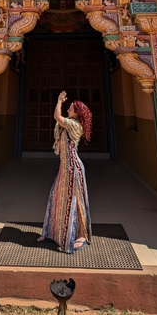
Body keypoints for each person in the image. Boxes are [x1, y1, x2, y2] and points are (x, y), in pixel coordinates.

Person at [37, 91, 92, 253]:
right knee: (57, 198)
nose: (68, 110)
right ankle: (52, 233)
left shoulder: (75, 125)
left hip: (73, 169)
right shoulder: (69, 123)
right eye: (68, 107)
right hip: (65, 168)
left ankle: (80, 236)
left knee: (74, 202)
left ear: (77, 113)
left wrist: (59, 101)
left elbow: (57, 117)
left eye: (71, 108)